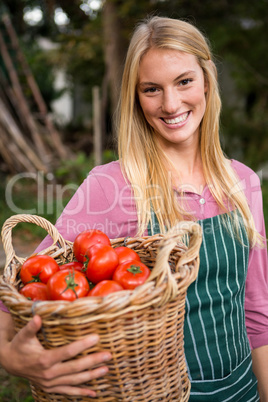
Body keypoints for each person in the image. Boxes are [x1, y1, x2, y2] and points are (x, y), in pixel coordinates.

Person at [0, 15, 267, 401]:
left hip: (240, 389)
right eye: (151, 89)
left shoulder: (243, 182)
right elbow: (24, 287)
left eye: (184, 81)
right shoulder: (111, 185)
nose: (171, 103)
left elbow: (256, 312)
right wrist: (11, 359)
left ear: (207, 80)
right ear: (136, 98)